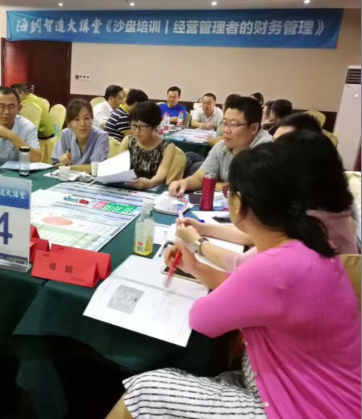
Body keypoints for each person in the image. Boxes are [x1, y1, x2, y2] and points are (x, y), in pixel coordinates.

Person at [108, 143, 361, 419]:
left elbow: (203, 319)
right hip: (310, 389)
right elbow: (248, 289)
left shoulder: (274, 266)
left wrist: (199, 253)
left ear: (238, 204)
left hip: (302, 407)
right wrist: (194, 266)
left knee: (144, 390)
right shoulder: (308, 243)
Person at [178, 130, 358, 274]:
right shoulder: (329, 208)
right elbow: (255, 236)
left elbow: (240, 265)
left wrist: (198, 242)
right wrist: (203, 228)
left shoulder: (308, 224)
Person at [169, 96, 272, 196]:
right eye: (225, 123)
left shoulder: (267, 151)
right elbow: (200, 177)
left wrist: (211, 185)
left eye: (233, 124)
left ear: (253, 128)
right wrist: (184, 183)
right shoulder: (222, 146)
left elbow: (248, 189)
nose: (225, 130)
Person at [117, 101, 179, 190]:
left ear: (155, 126)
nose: (137, 131)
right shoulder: (128, 141)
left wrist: (149, 183)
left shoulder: (167, 147)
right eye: (134, 125)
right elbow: (119, 167)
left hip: (151, 190)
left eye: (142, 126)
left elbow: (160, 176)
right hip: (127, 188)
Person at [51, 99, 109, 173]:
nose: (82, 124)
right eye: (77, 119)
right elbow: (55, 164)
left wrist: (67, 167)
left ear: (92, 120)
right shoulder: (65, 134)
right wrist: (63, 162)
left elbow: (96, 168)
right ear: (69, 124)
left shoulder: (101, 136)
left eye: (86, 118)